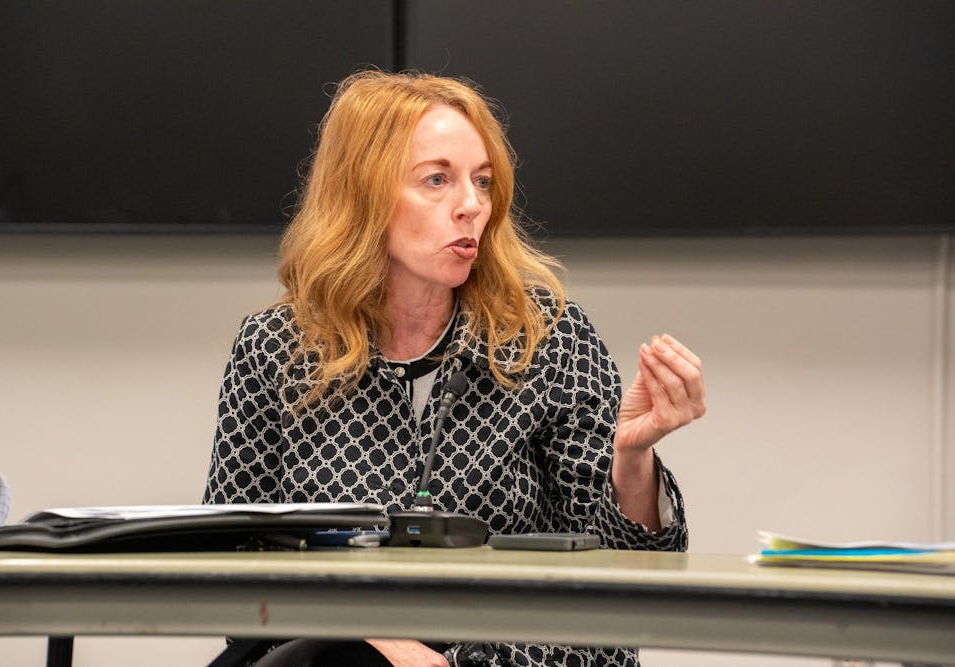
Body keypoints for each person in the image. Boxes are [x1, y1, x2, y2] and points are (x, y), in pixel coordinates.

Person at [204, 70, 706, 667]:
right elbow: (231, 572)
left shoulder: (547, 337)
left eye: (483, 182)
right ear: (363, 193)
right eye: (437, 180)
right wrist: (369, 637)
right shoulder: (276, 349)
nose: (471, 206)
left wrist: (632, 458)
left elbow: (623, 580)